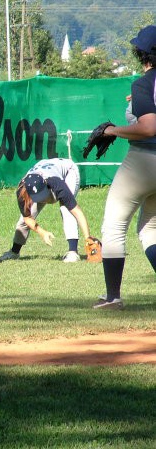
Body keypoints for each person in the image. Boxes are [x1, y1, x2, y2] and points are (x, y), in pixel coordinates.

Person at [94, 25, 156, 310]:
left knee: (114, 225)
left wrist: (112, 131)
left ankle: (112, 297)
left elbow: (148, 128)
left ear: (143, 53)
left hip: (145, 160)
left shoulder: (143, 83)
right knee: (150, 229)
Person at [0, 158, 95, 263]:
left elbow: (77, 211)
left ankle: (73, 252)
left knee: (66, 210)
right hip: (44, 170)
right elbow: (27, 218)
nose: (43, 199)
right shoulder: (22, 191)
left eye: (42, 195)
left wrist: (88, 239)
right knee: (23, 220)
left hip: (68, 171)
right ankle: (14, 252)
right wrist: (42, 232)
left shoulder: (56, 184)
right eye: (38, 197)